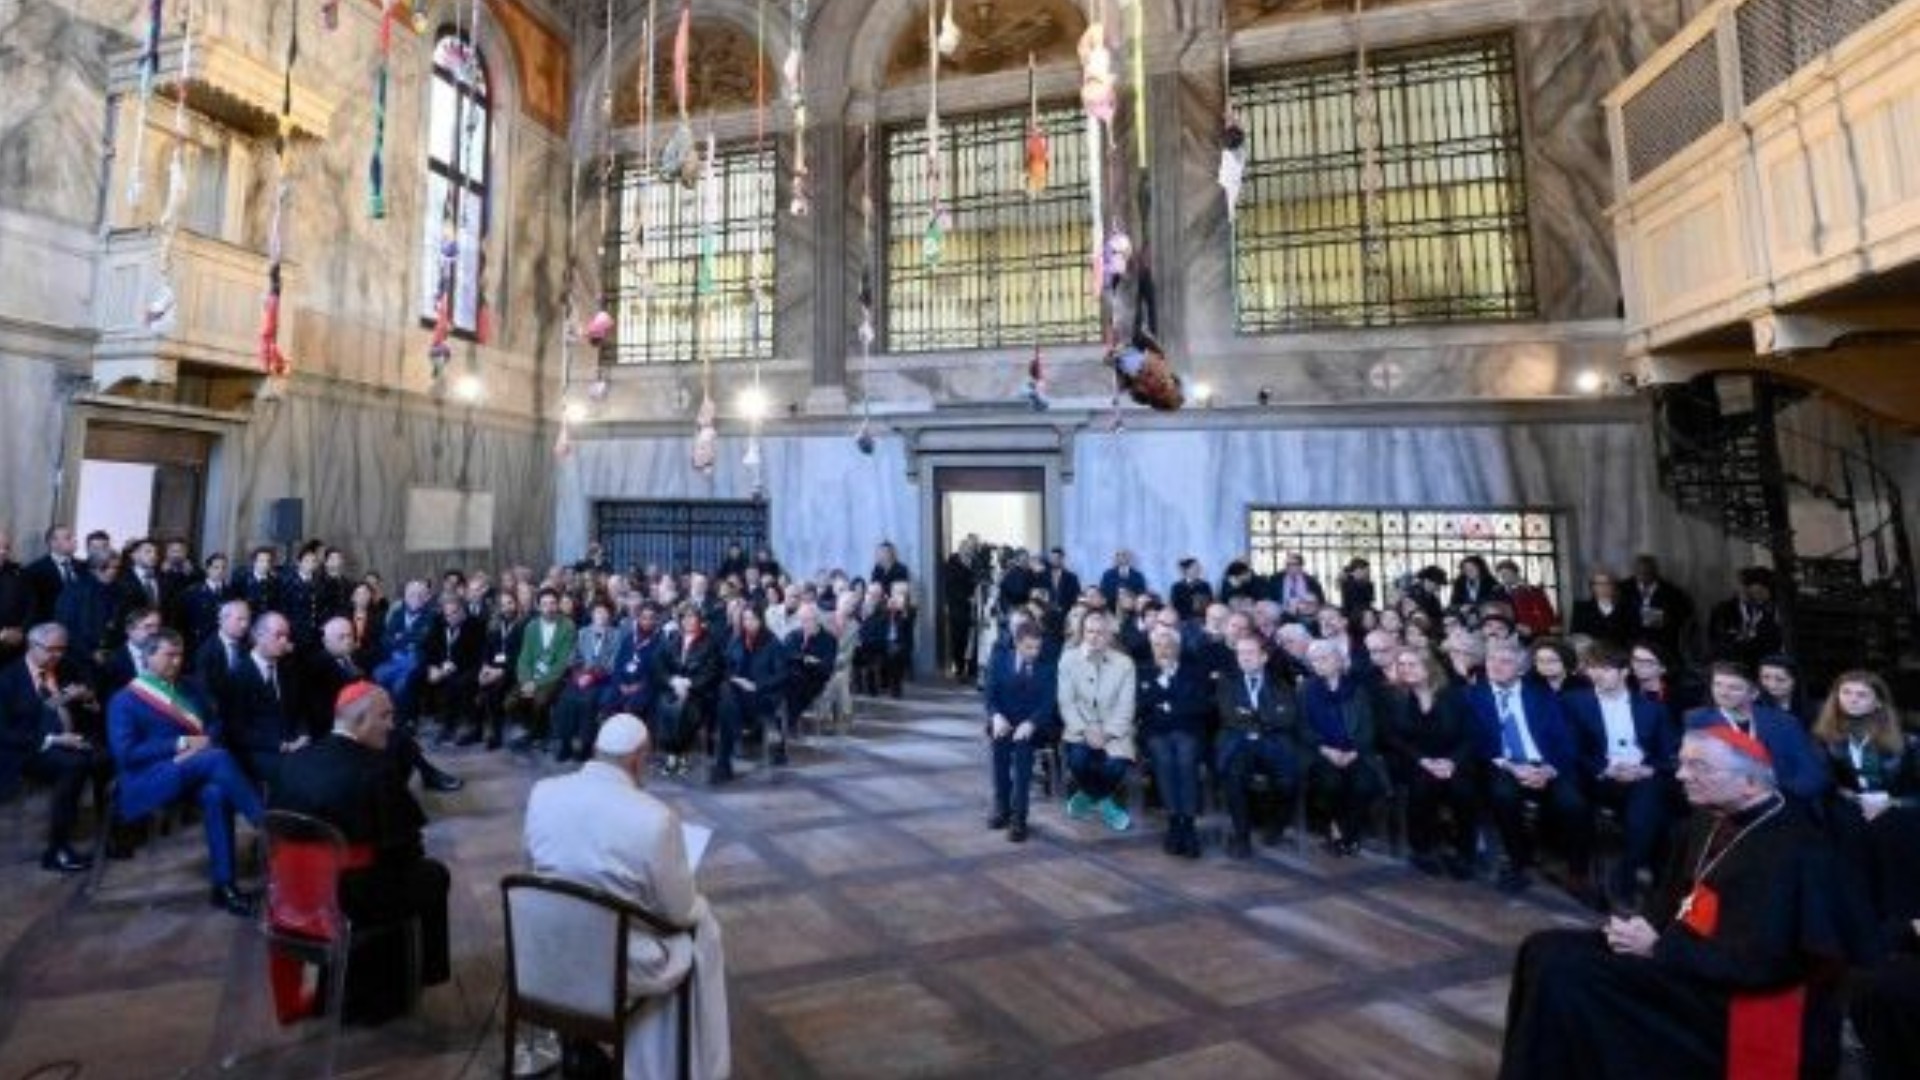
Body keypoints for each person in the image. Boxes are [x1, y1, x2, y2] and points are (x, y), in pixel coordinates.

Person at [1499, 727, 1876, 1079]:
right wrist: (1647, 924)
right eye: (1682, 762)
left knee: (1569, 974)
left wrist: (1659, 949)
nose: (1680, 775)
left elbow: (1768, 962)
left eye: (1698, 766)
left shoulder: (1797, 851)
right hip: (1682, 952)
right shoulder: (1706, 818)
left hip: (1727, 990)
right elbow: (1674, 893)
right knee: (1542, 948)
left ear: (1748, 782)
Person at [523, 714, 731, 1079]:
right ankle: (671, 1067)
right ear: (637, 759)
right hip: (612, 960)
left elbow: (531, 870)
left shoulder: (543, 792)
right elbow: (679, 913)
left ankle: (581, 1044)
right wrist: (700, 904)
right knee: (702, 934)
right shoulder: (654, 818)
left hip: (544, 946)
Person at [268, 682, 452, 1022]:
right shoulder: (376, 771)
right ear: (361, 720)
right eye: (386, 716)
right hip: (348, 902)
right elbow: (406, 850)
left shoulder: (291, 763)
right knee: (433, 874)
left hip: (292, 894)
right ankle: (424, 975)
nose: (392, 725)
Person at [106, 629, 264, 915]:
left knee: (216, 794)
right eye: (169, 655)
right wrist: (180, 744)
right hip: (148, 777)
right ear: (148, 656)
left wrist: (198, 747)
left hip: (195, 767)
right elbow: (126, 754)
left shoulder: (190, 686)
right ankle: (267, 827)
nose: (177, 662)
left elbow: (215, 723)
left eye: (180, 655)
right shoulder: (124, 700)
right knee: (218, 759)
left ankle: (224, 886)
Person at [1464, 639, 1593, 900]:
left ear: (1521, 670)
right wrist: (1512, 767)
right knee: (1503, 795)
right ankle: (1518, 862)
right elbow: (1476, 740)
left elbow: (1566, 738)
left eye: (1505, 662)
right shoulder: (1474, 696)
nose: (1496, 666)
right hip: (1505, 762)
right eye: (1491, 661)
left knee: (1573, 803)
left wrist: (1548, 769)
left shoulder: (1542, 695)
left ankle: (1577, 872)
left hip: (1547, 763)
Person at [1563, 644, 1676, 907]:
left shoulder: (1652, 708)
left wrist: (1647, 769)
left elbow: (1669, 752)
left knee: (1646, 810)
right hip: (1599, 777)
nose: (1597, 674)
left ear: (1625, 672)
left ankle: (1625, 874)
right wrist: (1605, 768)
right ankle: (1624, 877)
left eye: (1605, 669)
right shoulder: (1575, 702)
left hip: (1642, 776)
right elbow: (1571, 748)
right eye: (1592, 668)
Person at [1812, 670, 1920, 930]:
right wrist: (1845, 793)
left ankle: (1906, 917)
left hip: (1900, 806)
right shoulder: (1824, 735)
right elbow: (1824, 782)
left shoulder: (1909, 737)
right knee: (1846, 830)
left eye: (1862, 694)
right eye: (1846, 693)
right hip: (1851, 808)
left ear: (1878, 701)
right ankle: (1864, 920)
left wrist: (1892, 802)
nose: (1852, 699)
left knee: (1893, 831)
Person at [0, 623, 110, 872]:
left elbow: (91, 710)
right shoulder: (8, 678)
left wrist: (88, 698)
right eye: (51, 650)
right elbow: (4, 732)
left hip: (72, 739)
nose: (57, 656)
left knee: (106, 758)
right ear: (32, 646)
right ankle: (57, 849)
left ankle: (108, 832)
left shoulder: (67, 667)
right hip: (28, 749)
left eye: (62, 649)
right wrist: (53, 740)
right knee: (73, 766)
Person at [1380, 646, 1477, 879]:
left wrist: (1452, 762)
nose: (1406, 670)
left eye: (1412, 664)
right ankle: (1422, 850)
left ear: (1429, 667)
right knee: (1422, 789)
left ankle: (1464, 852)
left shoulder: (1455, 694)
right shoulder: (1395, 696)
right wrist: (1422, 760)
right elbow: (1392, 737)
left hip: (1453, 759)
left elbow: (1470, 735)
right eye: (1401, 665)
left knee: (1462, 792)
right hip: (1415, 759)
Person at [1683, 662, 1829, 804]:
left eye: (1734, 688)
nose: (1723, 693)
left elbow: (1812, 772)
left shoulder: (1785, 722)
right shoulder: (1696, 720)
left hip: (1780, 802)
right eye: (1717, 684)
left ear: (1754, 694)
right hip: (1723, 805)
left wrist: (1781, 797)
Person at [1214, 635, 1301, 858]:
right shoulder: (1227, 680)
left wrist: (1253, 717)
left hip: (1272, 741)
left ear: (1263, 657)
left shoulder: (1279, 681)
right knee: (1234, 775)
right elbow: (1229, 716)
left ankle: (1276, 826)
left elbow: (1288, 717)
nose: (1244, 658)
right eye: (1240, 653)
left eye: (1250, 653)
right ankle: (1241, 836)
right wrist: (1268, 717)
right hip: (1238, 740)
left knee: (1288, 779)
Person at [1299, 639, 1384, 857]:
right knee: (1330, 783)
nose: (1319, 663)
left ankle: (1350, 832)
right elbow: (1302, 727)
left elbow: (1368, 726)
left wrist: (1354, 751)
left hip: (1356, 751)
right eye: (1314, 660)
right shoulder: (1306, 689)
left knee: (1364, 783)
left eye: (1324, 658)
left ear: (1338, 660)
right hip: (1320, 752)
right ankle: (1336, 828)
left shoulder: (1357, 688)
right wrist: (1326, 750)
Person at [1137, 624, 1212, 858]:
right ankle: (1174, 822)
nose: (1163, 650)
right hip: (1155, 733)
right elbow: (1140, 705)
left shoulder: (1194, 671)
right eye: (1158, 645)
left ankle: (1188, 824)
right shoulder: (1143, 672)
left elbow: (1202, 705)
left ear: (1178, 648)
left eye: (1168, 645)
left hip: (1189, 731)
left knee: (1185, 753)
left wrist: (1165, 705)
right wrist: (1169, 695)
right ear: (1152, 648)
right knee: (1164, 755)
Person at [1057, 611, 1137, 832]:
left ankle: (1088, 796)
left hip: (1114, 731)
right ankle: (1106, 805)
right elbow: (1066, 703)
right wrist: (1085, 731)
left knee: (1115, 766)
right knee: (1078, 761)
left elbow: (1126, 706)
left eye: (1100, 633)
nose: (1094, 637)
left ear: (1109, 635)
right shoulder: (1068, 659)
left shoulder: (1125, 664)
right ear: (1082, 632)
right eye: (1089, 632)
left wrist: (1108, 734)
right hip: (1080, 730)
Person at [983, 622, 1057, 843]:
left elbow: (1047, 703)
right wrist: (996, 716)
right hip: (1003, 721)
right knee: (999, 752)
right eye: (1029, 648)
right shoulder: (999, 660)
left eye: (1037, 647)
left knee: (1023, 757)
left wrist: (1031, 723)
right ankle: (1002, 807)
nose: (1034, 653)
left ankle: (1019, 817)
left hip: (1032, 725)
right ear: (1016, 643)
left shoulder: (1047, 667)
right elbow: (990, 695)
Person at [219, 612, 305, 788]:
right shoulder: (238, 675)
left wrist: (304, 735)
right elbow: (236, 729)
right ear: (259, 636)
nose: (284, 642)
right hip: (259, 750)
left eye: (287, 636)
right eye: (278, 635)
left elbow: (299, 710)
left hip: (292, 743)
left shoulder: (287, 667)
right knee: (296, 773)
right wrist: (281, 746)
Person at [715, 605, 785, 780]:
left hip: (763, 697)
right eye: (745, 619)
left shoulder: (773, 643)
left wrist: (756, 685)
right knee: (726, 696)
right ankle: (724, 763)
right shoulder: (737, 641)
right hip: (738, 696)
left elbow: (782, 675)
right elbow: (725, 666)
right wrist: (734, 678)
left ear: (761, 620)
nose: (749, 623)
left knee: (726, 708)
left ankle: (723, 763)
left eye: (753, 619)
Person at [652, 605, 721, 778]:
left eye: (692, 617)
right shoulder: (673, 639)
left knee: (683, 708)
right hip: (673, 688)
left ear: (699, 620)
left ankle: (677, 755)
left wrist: (689, 684)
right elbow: (659, 666)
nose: (689, 621)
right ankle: (672, 755)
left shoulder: (710, 642)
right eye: (685, 617)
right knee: (663, 705)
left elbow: (712, 672)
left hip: (698, 692)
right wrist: (673, 681)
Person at [509, 588, 577, 752]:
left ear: (558, 605)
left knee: (540, 699)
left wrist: (537, 683)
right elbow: (524, 657)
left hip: (555, 677)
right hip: (531, 677)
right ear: (538, 607)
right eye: (545, 604)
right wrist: (526, 680)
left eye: (553, 603)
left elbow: (562, 663)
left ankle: (537, 734)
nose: (549, 608)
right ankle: (531, 731)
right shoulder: (531, 626)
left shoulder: (568, 626)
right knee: (510, 701)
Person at [1706, 566, 1783, 670]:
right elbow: (1720, 641)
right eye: (1757, 592)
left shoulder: (1768, 612)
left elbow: (1772, 643)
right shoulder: (1723, 610)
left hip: (1758, 665)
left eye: (1763, 593)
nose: (1760, 598)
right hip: (1728, 664)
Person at [1623, 554, 1693, 658]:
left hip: (1661, 642)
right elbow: (1617, 616)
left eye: (1647, 572)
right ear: (1634, 571)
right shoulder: (1623, 589)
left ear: (1655, 572)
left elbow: (1684, 617)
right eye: (1639, 572)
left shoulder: (1672, 592)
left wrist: (1661, 619)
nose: (1643, 575)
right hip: (1631, 642)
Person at [1570, 568, 1637, 647]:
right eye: (1599, 584)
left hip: (1620, 655)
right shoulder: (1581, 609)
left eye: (1607, 583)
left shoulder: (1627, 609)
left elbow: (1633, 637)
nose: (1603, 587)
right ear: (1592, 587)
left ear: (1614, 586)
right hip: (1591, 655)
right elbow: (1576, 637)